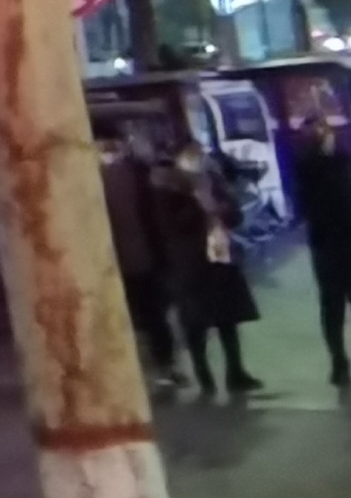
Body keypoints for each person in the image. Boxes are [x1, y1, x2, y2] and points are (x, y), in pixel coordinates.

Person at [176, 148, 264, 398]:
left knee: (228, 319)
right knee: (196, 325)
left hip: (221, 259)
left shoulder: (215, 182)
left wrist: (219, 208)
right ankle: (204, 376)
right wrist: (198, 207)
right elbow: (174, 225)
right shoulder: (174, 190)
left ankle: (236, 373)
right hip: (191, 264)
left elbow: (235, 215)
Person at [293, 98, 351, 391]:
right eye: (317, 129)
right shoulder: (307, 165)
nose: (325, 132)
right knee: (333, 308)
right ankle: (339, 362)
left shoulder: (346, 160)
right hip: (326, 246)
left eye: (325, 127)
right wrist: (318, 151)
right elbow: (310, 201)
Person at [101, 134, 178, 381]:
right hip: (135, 260)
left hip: (133, 261)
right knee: (153, 317)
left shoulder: (132, 175)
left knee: (147, 318)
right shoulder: (138, 174)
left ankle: (157, 366)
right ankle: (161, 366)